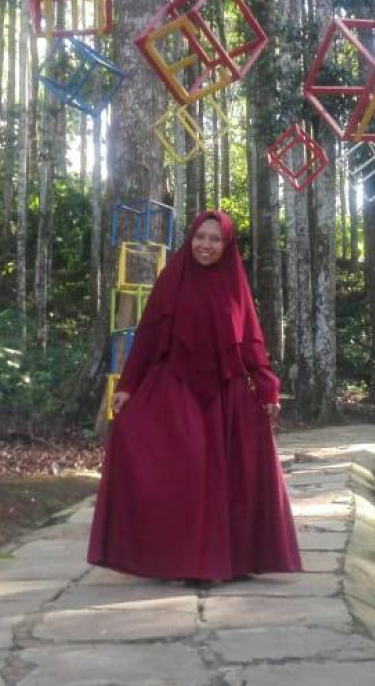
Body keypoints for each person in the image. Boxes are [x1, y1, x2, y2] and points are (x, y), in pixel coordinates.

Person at [88, 210, 302, 582]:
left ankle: (226, 562)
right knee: (183, 463)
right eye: (200, 237)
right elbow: (148, 336)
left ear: (227, 244)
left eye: (215, 239)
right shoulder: (172, 279)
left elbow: (250, 341)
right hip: (176, 385)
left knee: (226, 475)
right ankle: (181, 560)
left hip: (225, 391)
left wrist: (268, 386)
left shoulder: (235, 285)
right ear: (190, 239)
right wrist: (127, 386)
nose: (206, 245)